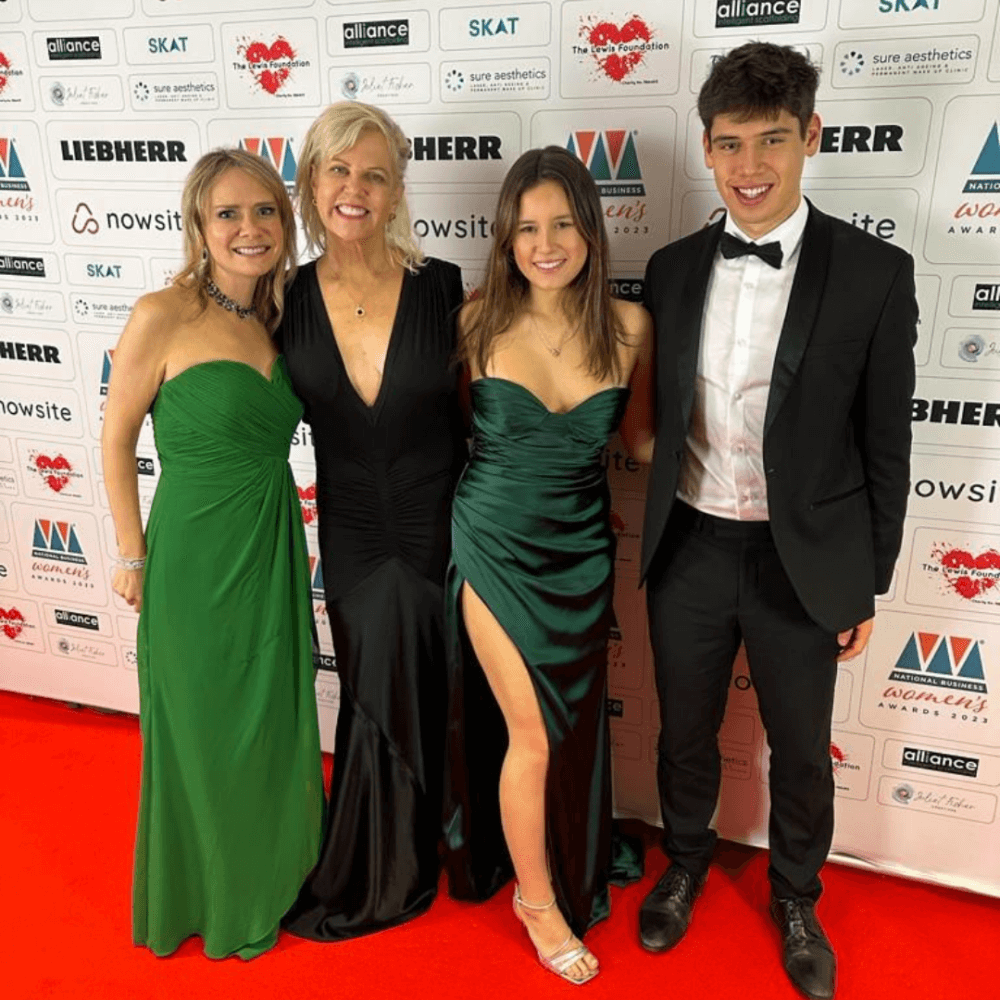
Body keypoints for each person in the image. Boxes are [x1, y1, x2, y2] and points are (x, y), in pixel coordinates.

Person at [638, 43, 916, 1000]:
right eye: (728, 144)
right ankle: (682, 862)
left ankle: (797, 896)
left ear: (811, 138)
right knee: (684, 731)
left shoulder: (877, 273)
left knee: (801, 748)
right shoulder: (671, 269)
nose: (749, 166)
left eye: (770, 141)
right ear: (707, 152)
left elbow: (887, 443)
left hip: (806, 562)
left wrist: (865, 580)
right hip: (691, 545)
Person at [102, 148, 324, 959]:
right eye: (228, 213)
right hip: (192, 554)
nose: (248, 228)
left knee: (264, 717)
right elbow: (116, 438)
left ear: (285, 221)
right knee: (199, 727)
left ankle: (267, 872)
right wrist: (132, 554)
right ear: (199, 224)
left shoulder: (279, 317)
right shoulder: (161, 313)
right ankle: (208, 890)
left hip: (269, 544)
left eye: (265, 211)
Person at [445, 146, 653, 985]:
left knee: (568, 730)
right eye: (527, 227)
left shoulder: (633, 326)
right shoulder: (474, 321)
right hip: (492, 546)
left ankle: (568, 851)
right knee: (530, 734)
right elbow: (451, 433)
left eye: (562, 222)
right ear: (505, 237)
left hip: (583, 552)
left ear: (592, 230)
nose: (546, 242)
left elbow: (641, 442)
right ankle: (538, 903)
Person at [278, 102, 466, 941]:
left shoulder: (444, 285)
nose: (354, 188)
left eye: (374, 174)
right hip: (350, 526)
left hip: (440, 522)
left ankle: (439, 840)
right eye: (337, 170)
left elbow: (481, 409)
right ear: (311, 183)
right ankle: (385, 860)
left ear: (396, 192)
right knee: (369, 685)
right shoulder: (282, 299)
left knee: (436, 678)